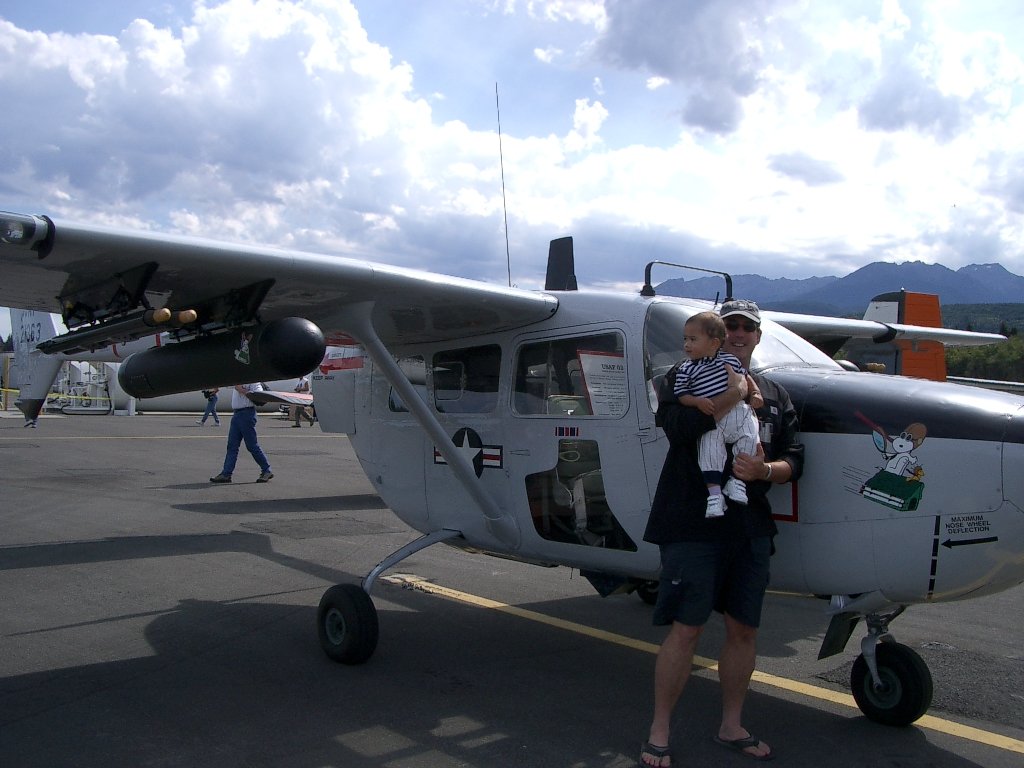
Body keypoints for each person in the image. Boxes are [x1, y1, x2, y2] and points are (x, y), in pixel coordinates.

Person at [641, 298, 804, 766]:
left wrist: (766, 470)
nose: (738, 334)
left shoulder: (774, 393)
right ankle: (659, 731)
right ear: (715, 334)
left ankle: (732, 725)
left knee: (744, 630)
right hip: (692, 523)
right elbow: (679, 427)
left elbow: (795, 458)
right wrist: (734, 395)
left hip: (748, 526)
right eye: (728, 326)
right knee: (686, 629)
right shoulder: (679, 376)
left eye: (746, 329)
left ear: (756, 336)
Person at [674, 311, 763, 518]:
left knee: (750, 433)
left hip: (738, 416)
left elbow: (745, 376)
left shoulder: (728, 360)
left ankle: (736, 481)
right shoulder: (684, 370)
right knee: (710, 447)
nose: (687, 344)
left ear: (714, 343)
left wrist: (756, 392)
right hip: (687, 522)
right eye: (731, 326)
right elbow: (681, 396)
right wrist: (699, 401)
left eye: (693, 339)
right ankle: (714, 495)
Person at [209, 382, 273, 483]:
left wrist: (242, 390)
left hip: (247, 413)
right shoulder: (238, 379)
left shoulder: (254, 381)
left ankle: (266, 470)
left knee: (252, 445)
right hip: (237, 414)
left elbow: (259, 396)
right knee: (232, 446)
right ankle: (226, 474)